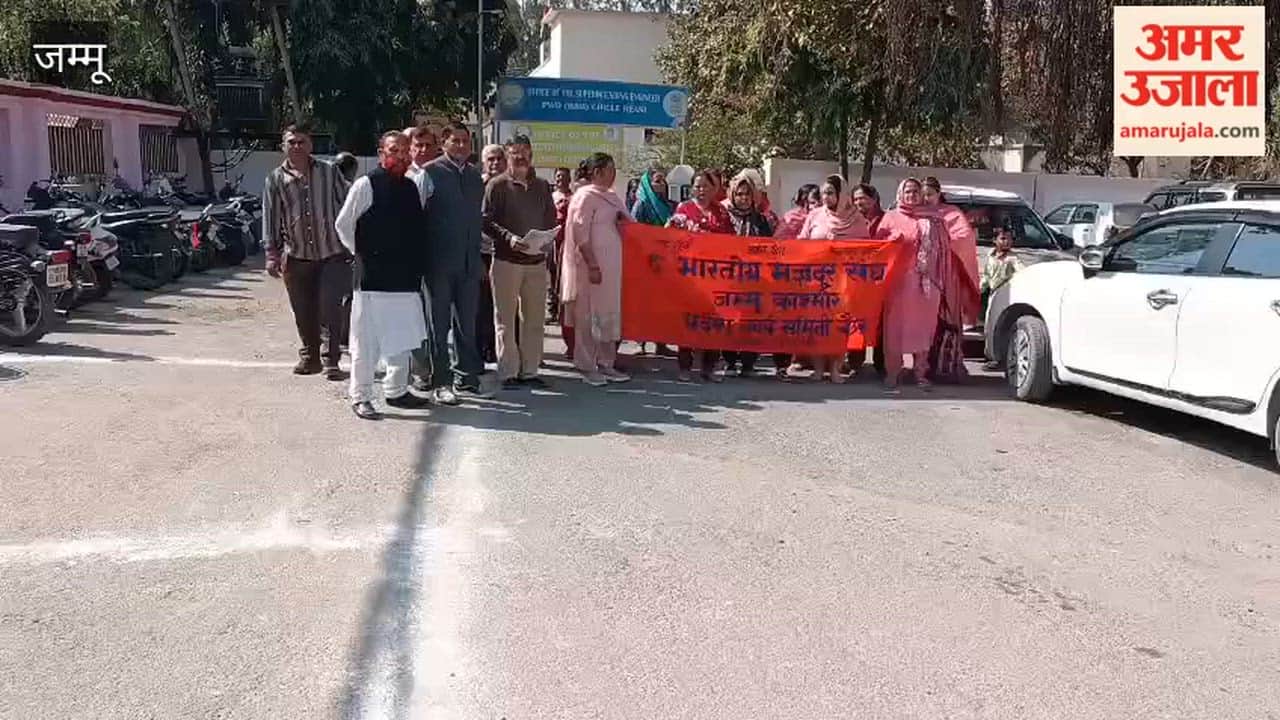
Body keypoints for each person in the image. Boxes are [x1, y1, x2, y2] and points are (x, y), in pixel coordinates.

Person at [334, 130, 430, 419]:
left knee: (402, 338)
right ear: (381, 154)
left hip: (405, 280)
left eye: (404, 151)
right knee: (366, 343)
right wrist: (362, 253)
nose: (399, 157)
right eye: (393, 151)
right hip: (372, 280)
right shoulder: (366, 184)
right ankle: (361, 396)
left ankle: (396, 390)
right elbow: (343, 224)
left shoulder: (411, 187)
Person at [261, 123, 353, 380]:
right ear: (283, 146)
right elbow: (271, 216)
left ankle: (331, 360)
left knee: (330, 307)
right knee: (303, 310)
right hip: (296, 255)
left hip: (332, 252)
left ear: (311, 145)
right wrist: (271, 253)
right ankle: (310, 356)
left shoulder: (329, 172)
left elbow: (348, 203)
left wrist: (353, 241)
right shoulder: (275, 179)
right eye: (291, 142)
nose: (297, 146)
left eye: (302, 142)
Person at [877, 177, 979, 391]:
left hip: (927, 284)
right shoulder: (890, 217)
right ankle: (893, 372)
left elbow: (944, 251)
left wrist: (940, 280)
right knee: (895, 329)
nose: (912, 195)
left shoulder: (934, 219)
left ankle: (920, 373)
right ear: (900, 194)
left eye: (915, 191)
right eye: (907, 191)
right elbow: (878, 248)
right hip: (897, 284)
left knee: (924, 330)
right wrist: (891, 241)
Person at [422, 121, 489, 403]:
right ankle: (440, 381)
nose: (461, 146)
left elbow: (478, 219)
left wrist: (479, 258)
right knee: (438, 326)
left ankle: (466, 377)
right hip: (438, 263)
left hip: (469, 263)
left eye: (465, 141)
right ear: (444, 143)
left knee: (467, 324)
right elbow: (418, 217)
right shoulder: (429, 173)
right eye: (456, 141)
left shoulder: (475, 176)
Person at [483, 135, 557, 390]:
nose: (521, 156)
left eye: (525, 151)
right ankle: (508, 372)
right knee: (505, 319)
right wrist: (509, 238)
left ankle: (530, 370)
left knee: (534, 319)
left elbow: (550, 217)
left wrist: (548, 239)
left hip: (536, 262)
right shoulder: (497, 185)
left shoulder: (542, 186)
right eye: (515, 152)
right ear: (508, 156)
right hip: (507, 261)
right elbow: (486, 221)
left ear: (531, 154)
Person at [562, 152, 632, 386]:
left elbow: (628, 224)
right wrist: (592, 264)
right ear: (597, 172)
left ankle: (606, 363)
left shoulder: (612, 197)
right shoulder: (584, 196)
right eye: (610, 170)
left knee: (608, 313)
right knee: (587, 315)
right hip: (590, 268)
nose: (613, 174)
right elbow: (580, 234)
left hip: (612, 268)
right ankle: (586, 365)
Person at [796, 175, 868, 384]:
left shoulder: (856, 219)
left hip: (843, 281)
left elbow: (864, 250)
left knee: (839, 326)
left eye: (830, 193)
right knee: (818, 326)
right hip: (816, 280)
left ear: (841, 194)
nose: (825, 197)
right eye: (823, 193)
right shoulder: (815, 215)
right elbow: (802, 241)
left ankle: (835, 368)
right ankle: (818, 369)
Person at [719, 176, 787, 379]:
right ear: (732, 195)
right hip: (729, 278)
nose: (743, 198)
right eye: (739, 194)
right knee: (731, 322)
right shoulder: (724, 217)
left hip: (756, 279)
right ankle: (730, 362)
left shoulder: (761, 220)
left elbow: (769, 247)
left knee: (752, 322)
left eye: (747, 194)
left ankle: (748, 363)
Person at [669, 170, 732, 382]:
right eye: (697, 186)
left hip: (715, 275)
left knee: (713, 321)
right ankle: (685, 366)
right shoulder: (684, 209)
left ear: (714, 189)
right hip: (690, 274)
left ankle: (709, 367)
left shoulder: (721, 212)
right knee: (688, 320)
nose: (701, 190)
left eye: (705, 186)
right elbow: (673, 238)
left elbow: (731, 241)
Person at [474, 143, 507, 366]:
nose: (495, 163)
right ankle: (482, 350)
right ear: (484, 162)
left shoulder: (511, 185)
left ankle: (503, 351)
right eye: (491, 159)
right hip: (482, 252)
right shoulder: (477, 185)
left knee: (505, 306)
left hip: (507, 253)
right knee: (482, 306)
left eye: (499, 158)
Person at [548, 166, 573, 323]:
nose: (561, 179)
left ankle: (564, 310)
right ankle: (552, 309)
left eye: (564, 176)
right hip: (552, 241)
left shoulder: (574, 197)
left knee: (565, 276)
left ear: (569, 179)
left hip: (567, 241)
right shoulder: (550, 197)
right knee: (552, 275)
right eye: (558, 176)